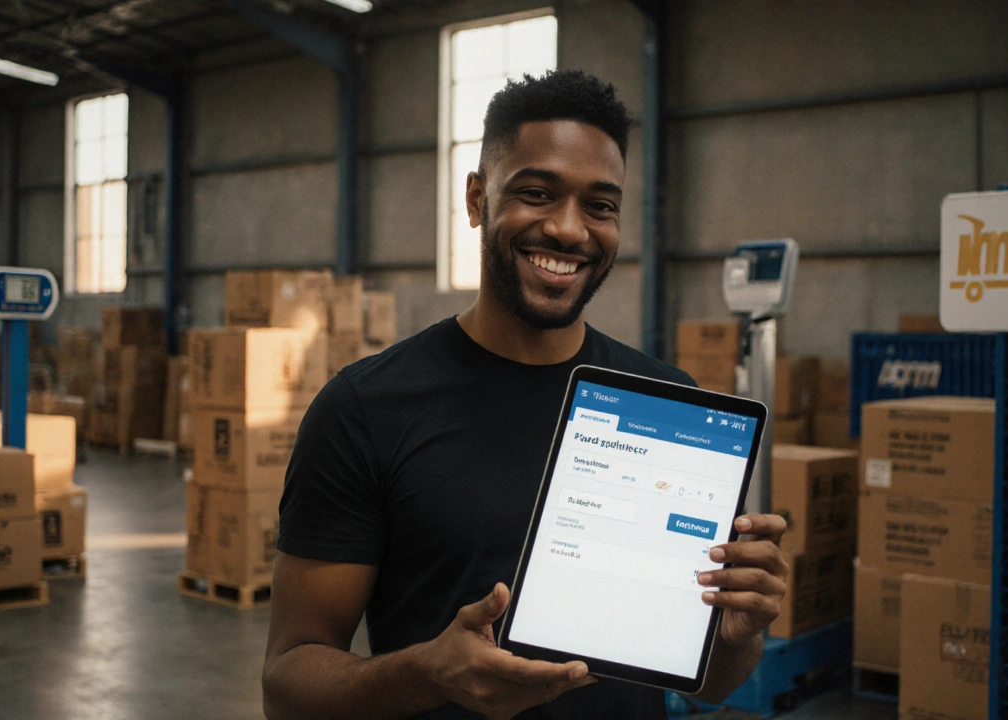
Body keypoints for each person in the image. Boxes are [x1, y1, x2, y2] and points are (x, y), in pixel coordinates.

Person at [262, 69, 788, 720]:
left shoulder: (668, 405)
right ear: (478, 200)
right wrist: (431, 674)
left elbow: (708, 683)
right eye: (538, 193)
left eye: (600, 205)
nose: (570, 231)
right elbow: (287, 684)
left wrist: (738, 637)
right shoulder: (367, 410)